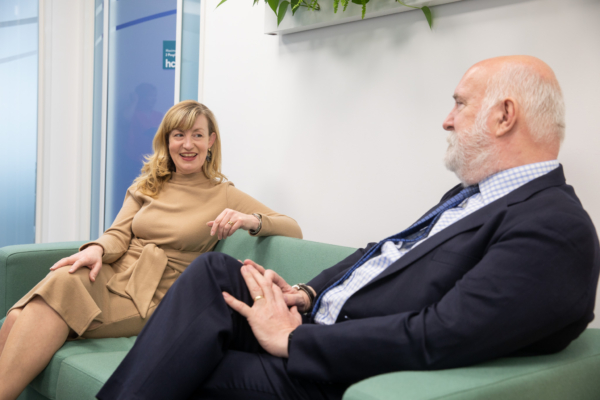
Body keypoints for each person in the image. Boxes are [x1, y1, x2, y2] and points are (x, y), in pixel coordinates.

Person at [98, 56, 600, 400]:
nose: (447, 120)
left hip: (334, 366)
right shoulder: (470, 198)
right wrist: (305, 292)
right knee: (214, 272)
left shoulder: (553, 226)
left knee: (179, 361)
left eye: (460, 103)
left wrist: (295, 342)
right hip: (315, 324)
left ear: (504, 116)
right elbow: (379, 253)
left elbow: (443, 333)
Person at [0, 101, 302, 399]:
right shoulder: (148, 184)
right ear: (167, 140)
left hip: (156, 295)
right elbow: (117, 235)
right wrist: (96, 250)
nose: (187, 144)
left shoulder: (223, 193)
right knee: (47, 293)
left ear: (210, 141)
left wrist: (250, 220)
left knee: (32, 313)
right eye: (178, 135)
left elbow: (292, 228)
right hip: (112, 273)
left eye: (197, 135)